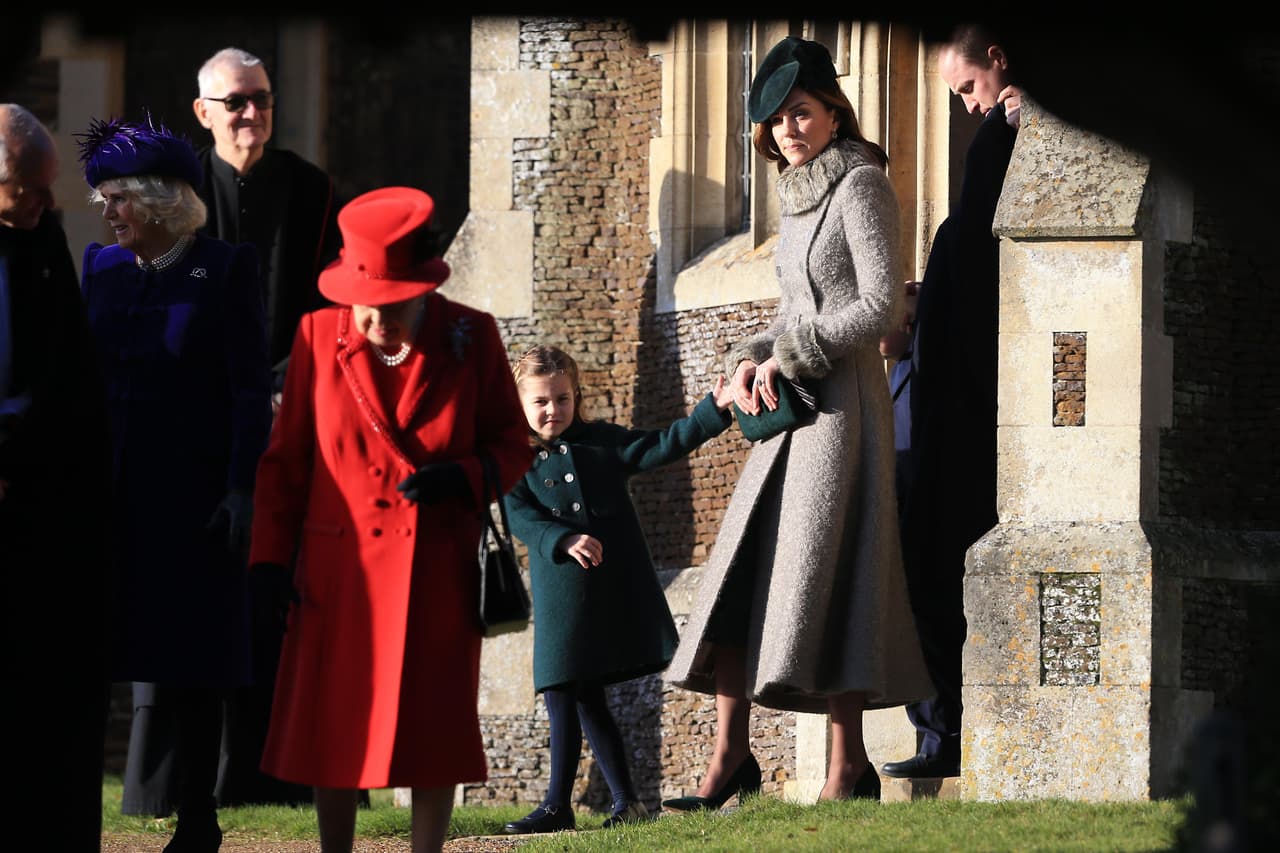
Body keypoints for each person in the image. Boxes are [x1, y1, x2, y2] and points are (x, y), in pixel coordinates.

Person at [662, 35, 933, 808]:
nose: (790, 129)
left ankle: (848, 767)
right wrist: (751, 355)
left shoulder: (861, 184)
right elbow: (793, 309)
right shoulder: (796, 192)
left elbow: (878, 307)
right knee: (746, 568)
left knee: (836, 572)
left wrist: (792, 353)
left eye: (803, 112)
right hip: (791, 411)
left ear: (833, 111)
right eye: (778, 119)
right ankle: (728, 760)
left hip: (843, 410)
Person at [246, 186, 531, 853]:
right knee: (334, 730)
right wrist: (266, 561)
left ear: (423, 289)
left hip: (433, 567)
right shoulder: (318, 335)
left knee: (434, 730)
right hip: (336, 573)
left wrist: (461, 479)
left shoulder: (472, 336)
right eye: (364, 309)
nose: (374, 324)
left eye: (390, 309)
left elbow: (513, 446)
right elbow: (285, 462)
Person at [123, 43, 342, 818]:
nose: (253, 114)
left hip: (284, 424)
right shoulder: (170, 197)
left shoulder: (312, 191)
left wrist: (285, 388)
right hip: (188, 429)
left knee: (265, 593)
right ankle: (165, 785)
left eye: (263, 99)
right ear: (202, 113)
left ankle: (263, 774)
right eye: (237, 101)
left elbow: (329, 306)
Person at [76, 113, 273, 852]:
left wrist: (241, 487)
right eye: (104, 201)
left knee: (193, 658)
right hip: (111, 494)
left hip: (195, 498)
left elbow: (250, 390)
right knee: (97, 649)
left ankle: (198, 816)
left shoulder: (224, 268)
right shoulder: (99, 268)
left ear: (159, 200)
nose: (108, 212)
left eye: (119, 198)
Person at [500, 345, 736, 834]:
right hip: (560, 593)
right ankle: (594, 802)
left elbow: (660, 445)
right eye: (541, 402)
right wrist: (562, 538)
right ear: (519, 404)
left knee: (581, 692)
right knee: (565, 689)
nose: (553, 410)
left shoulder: (602, 443)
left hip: (608, 591)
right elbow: (520, 517)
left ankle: (583, 805)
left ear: (576, 396)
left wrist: (715, 410)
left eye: (562, 399)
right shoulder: (511, 459)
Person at [880, 23, 1022, 782]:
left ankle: (952, 733)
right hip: (942, 404)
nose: (966, 106)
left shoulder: (1013, 129)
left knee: (938, 570)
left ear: (998, 58)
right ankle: (941, 730)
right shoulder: (995, 135)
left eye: (968, 86)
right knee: (924, 573)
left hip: (969, 412)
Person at [1, 102, 114, 853]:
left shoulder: (44, 237)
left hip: (50, 508)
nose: (40, 205)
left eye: (46, 191)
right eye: (24, 189)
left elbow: (71, 369)